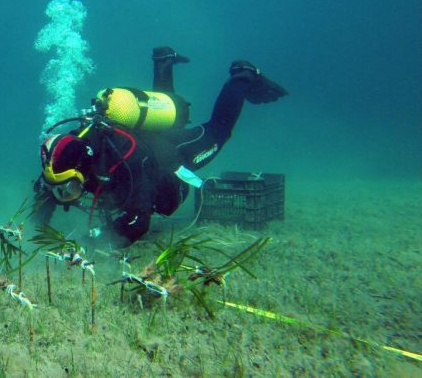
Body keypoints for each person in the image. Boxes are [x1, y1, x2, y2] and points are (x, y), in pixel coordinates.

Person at [33, 46, 288, 246]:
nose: (66, 195)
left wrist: (92, 243)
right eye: (62, 189)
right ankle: (163, 61)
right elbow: (46, 194)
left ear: (82, 167)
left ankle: (241, 78)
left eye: (70, 188)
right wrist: (36, 231)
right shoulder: (62, 160)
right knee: (168, 125)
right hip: (148, 138)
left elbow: (138, 222)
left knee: (218, 131)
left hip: (173, 152)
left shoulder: (126, 163)